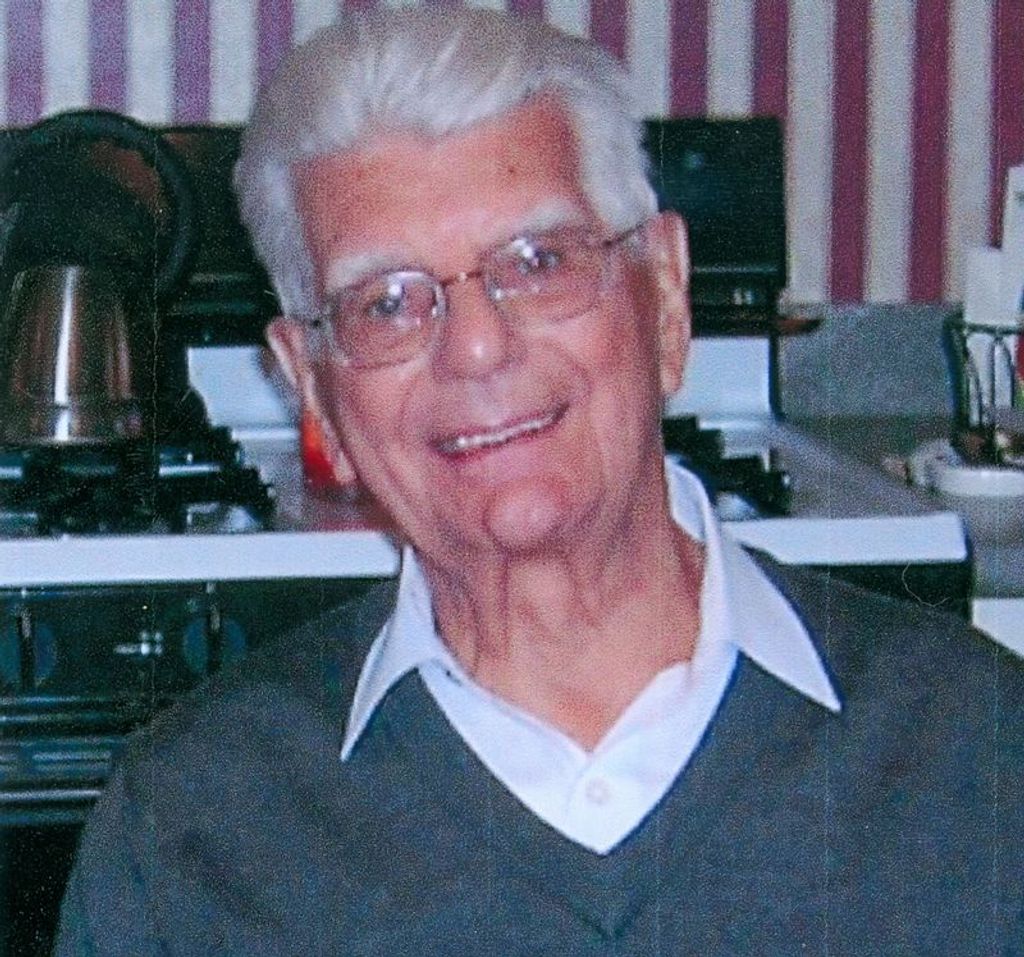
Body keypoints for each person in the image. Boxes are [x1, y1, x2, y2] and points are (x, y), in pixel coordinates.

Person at [55, 8, 1023, 955]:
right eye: (387, 303)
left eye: (538, 262)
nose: (476, 347)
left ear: (665, 298)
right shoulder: (187, 835)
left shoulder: (981, 756)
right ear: (314, 390)